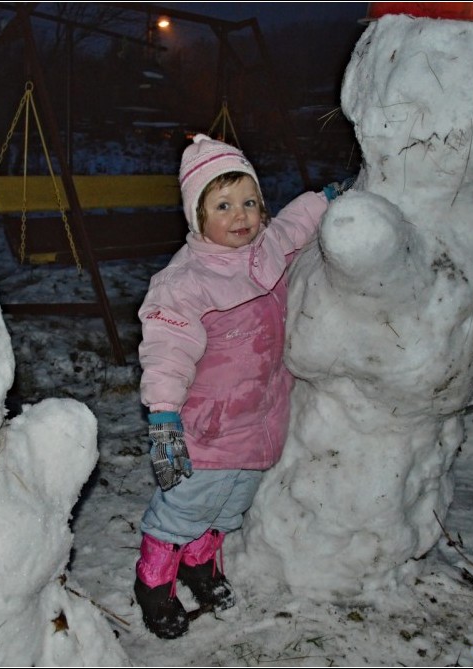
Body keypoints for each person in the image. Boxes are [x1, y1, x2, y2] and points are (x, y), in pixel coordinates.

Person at [134, 133, 345, 639]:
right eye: (223, 205)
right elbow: (166, 352)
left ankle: (200, 565)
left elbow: (293, 224)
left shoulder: (266, 247)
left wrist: (325, 199)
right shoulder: (185, 283)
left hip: (259, 417)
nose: (240, 216)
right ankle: (154, 582)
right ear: (197, 217)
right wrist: (163, 413)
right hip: (207, 425)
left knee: (231, 502)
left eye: (249, 202)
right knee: (185, 506)